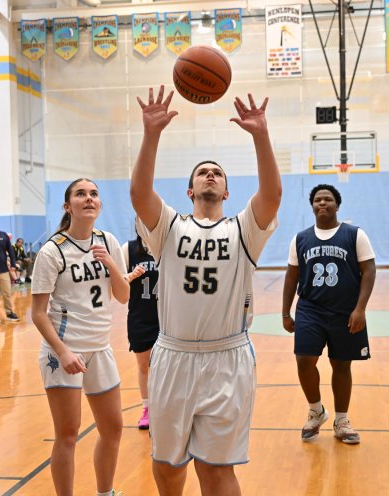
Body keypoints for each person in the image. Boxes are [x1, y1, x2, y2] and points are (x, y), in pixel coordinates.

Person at [130, 85, 281, 496]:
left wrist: (261, 136)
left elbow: (272, 196)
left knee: (216, 472)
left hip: (226, 359)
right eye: (202, 172)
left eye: (217, 173)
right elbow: (140, 194)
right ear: (190, 190)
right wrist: (152, 134)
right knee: (167, 466)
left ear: (228, 192)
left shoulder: (243, 230)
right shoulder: (170, 227)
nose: (210, 175)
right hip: (173, 356)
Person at [30, 178, 129, 496]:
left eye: (94, 194)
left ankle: (105, 492)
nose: (89, 198)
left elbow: (123, 295)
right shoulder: (52, 251)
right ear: (67, 205)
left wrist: (112, 264)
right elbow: (38, 313)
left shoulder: (108, 241)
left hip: (100, 348)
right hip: (64, 351)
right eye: (81, 194)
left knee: (113, 428)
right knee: (68, 434)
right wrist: (63, 351)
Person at [282, 184, 376, 444]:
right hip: (310, 308)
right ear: (312, 206)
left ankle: (342, 420)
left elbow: (369, 271)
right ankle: (316, 411)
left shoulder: (355, 235)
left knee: (341, 364)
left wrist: (360, 308)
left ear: (337, 204)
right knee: (304, 360)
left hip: (345, 310)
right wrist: (285, 313)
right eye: (318, 200)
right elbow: (292, 277)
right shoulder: (300, 239)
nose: (322, 203)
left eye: (328, 199)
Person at [122, 232, 158, 430]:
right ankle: (147, 408)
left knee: (168, 367)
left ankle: (169, 409)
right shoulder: (128, 248)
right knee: (144, 365)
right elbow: (116, 282)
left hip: (167, 318)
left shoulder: (167, 242)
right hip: (140, 317)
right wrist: (130, 275)